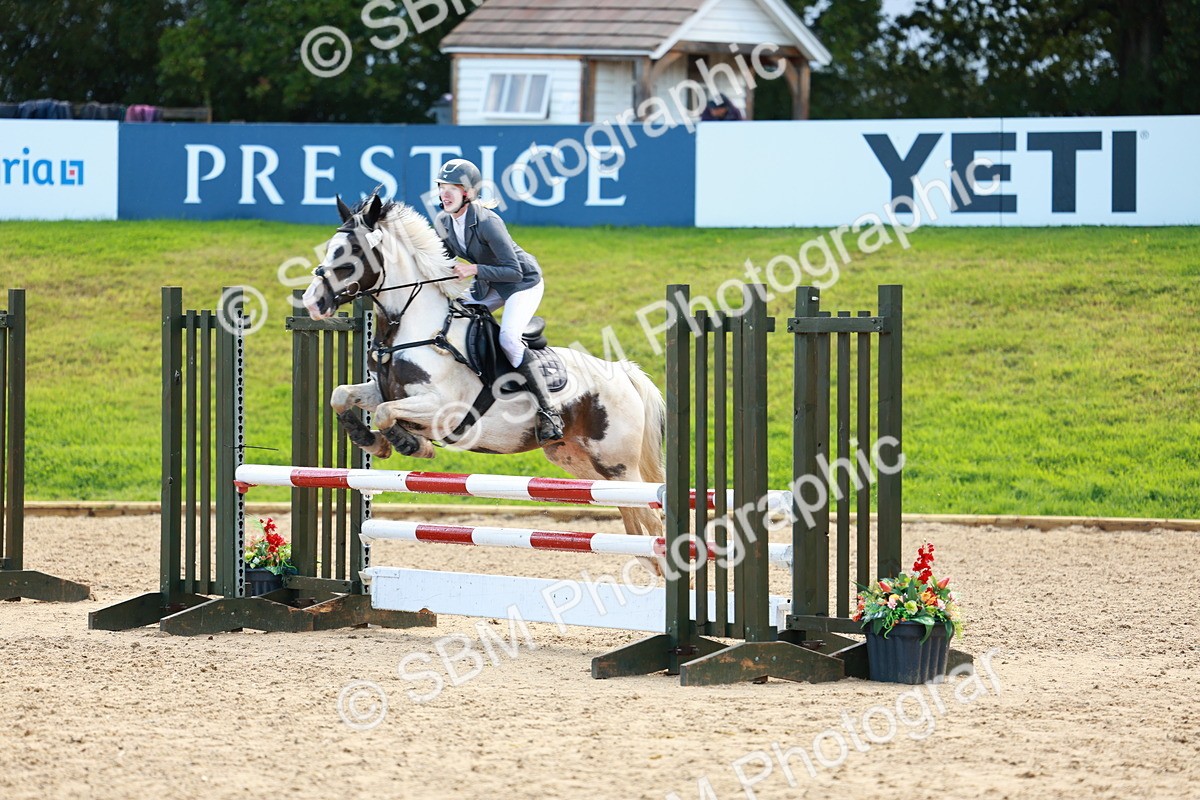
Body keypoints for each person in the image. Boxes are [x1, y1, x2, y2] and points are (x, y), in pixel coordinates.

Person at [433, 158, 564, 443]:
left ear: (468, 193)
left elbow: (513, 270)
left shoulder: (488, 222)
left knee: (509, 339)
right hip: (489, 285)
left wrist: (474, 269)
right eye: (441, 188)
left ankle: (549, 411)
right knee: (452, 318)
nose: (444, 194)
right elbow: (440, 260)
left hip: (522, 283)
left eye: (451, 189)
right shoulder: (444, 221)